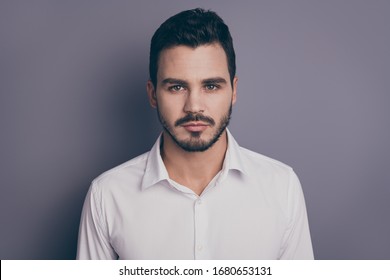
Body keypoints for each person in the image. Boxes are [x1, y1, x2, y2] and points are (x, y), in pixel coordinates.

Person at [76, 8, 314, 260]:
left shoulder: (282, 187)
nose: (194, 106)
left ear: (233, 91)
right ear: (153, 94)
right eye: (177, 87)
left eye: (211, 86)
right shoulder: (107, 196)